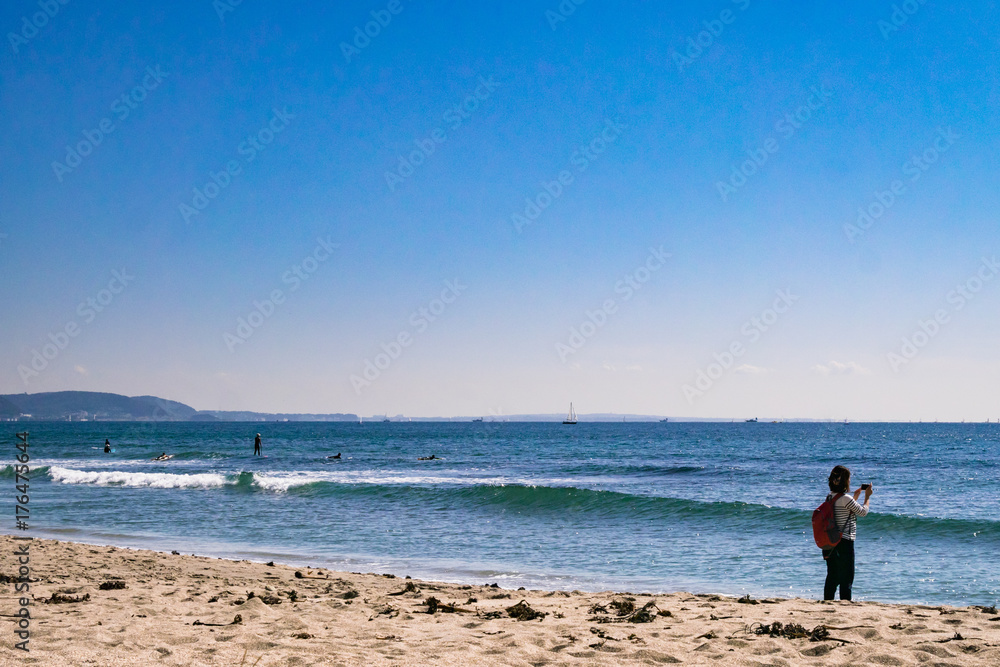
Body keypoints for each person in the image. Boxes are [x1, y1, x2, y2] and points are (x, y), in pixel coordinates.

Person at [823, 465, 873, 601]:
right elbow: (863, 512)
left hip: (831, 541)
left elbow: (841, 512)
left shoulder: (830, 496)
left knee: (832, 575)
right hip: (845, 541)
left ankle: (828, 601)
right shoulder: (846, 499)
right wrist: (867, 497)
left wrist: (855, 497)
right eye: (849, 478)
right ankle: (845, 603)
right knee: (847, 577)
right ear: (845, 480)